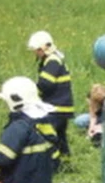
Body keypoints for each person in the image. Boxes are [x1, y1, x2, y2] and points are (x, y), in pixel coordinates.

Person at [27, 31, 74, 160]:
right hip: (62, 108)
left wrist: (32, 94)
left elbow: (45, 84)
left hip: (55, 108)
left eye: (36, 50)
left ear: (42, 49)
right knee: (60, 137)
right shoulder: (55, 59)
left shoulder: (52, 61)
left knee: (46, 135)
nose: (35, 53)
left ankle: (53, 161)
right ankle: (66, 161)